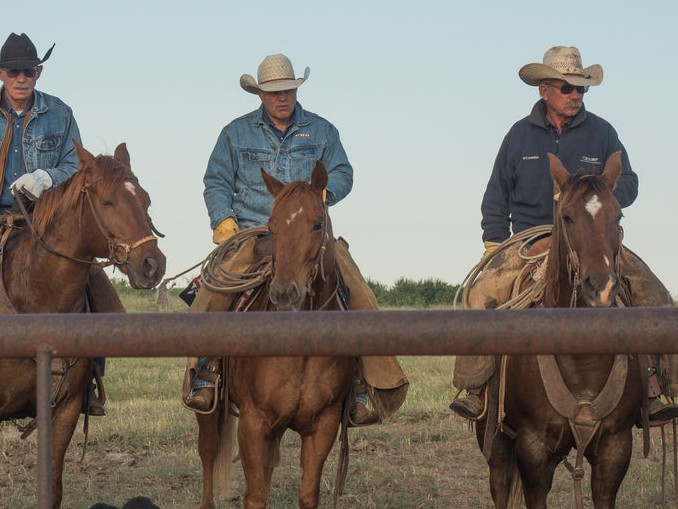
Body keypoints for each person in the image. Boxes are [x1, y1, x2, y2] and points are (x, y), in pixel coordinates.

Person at [450, 46, 678, 423]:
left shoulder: (603, 132)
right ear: (544, 91)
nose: (576, 96)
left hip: (595, 239)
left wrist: (598, 204)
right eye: (567, 88)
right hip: (529, 239)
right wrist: (495, 244)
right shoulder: (518, 136)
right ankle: (476, 386)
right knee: (481, 292)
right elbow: (496, 195)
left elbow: (631, 182)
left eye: (581, 89)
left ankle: (655, 386)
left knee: (654, 294)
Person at [183, 54, 409, 424]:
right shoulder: (234, 134)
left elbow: (342, 171)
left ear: (295, 90)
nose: (281, 98)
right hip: (254, 233)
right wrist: (223, 221)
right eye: (273, 92)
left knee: (356, 290)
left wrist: (320, 198)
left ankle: (364, 384)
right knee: (212, 291)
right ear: (259, 94)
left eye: (287, 90)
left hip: (310, 235)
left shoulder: (322, 131)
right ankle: (204, 373)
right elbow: (216, 181)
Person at [0, 32, 116, 415]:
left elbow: (77, 166)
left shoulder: (60, 113)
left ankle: (88, 380)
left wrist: (46, 177)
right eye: (13, 71)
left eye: (28, 70)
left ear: (38, 72)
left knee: (93, 284)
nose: (21, 78)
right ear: (0, 73)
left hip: (42, 224)